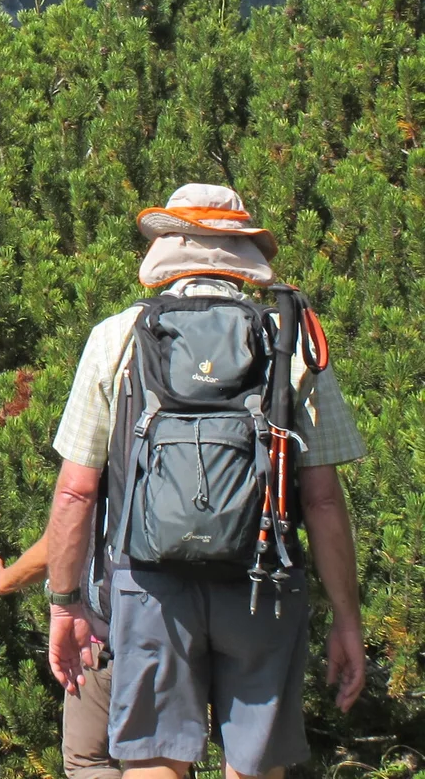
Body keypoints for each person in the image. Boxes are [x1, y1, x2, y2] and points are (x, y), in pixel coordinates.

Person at [44, 184, 368, 779]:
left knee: (155, 762)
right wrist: (348, 620)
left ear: (169, 249)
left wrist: (65, 605)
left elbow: (75, 492)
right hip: (263, 581)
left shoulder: (117, 338)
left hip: (151, 584)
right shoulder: (291, 338)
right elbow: (321, 499)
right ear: (241, 253)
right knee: (256, 764)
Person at [0, 531, 118, 779]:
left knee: (89, 762)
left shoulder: (97, 489)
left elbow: (66, 532)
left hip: (106, 634)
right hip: (189, 624)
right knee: (164, 754)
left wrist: (2, 579)